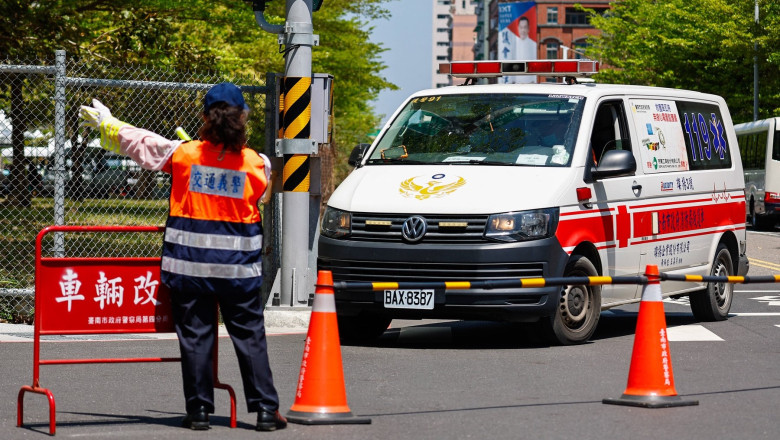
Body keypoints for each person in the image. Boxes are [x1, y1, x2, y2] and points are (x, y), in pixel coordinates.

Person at [79, 83, 287, 432]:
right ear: (243, 118)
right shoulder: (259, 164)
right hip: (239, 272)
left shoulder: (183, 155)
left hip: (188, 268)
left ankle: (200, 411)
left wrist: (109, 124)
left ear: (205, 117)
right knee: (249, 336)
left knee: (196, 337)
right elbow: (260, 194)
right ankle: (266, 410)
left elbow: (143, 144)